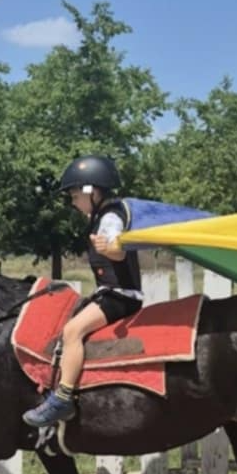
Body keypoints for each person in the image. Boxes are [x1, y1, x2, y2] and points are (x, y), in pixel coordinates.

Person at [22, 155, 143, 427]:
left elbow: (118, 249)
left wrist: (110, 248)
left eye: (76, 196)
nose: (73, 203)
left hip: (121, 297)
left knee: (72, 331)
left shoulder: (110, 218)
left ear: (92, 191)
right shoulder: (101, 215)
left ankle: (63, 398)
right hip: (111, 294)